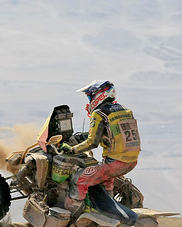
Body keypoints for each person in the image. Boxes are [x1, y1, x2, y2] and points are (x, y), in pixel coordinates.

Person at [60, 80, 141, 213]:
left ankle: (73, 213)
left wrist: (72, 149)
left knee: (78, 178)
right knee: (107, 178)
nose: (89, 100)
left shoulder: (100, 113)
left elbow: (92, 142)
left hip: (115, 162)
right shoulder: (125, 110)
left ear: (100, 95)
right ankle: (108, 210)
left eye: (90, 96)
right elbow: (113, 133)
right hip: (131, 161)